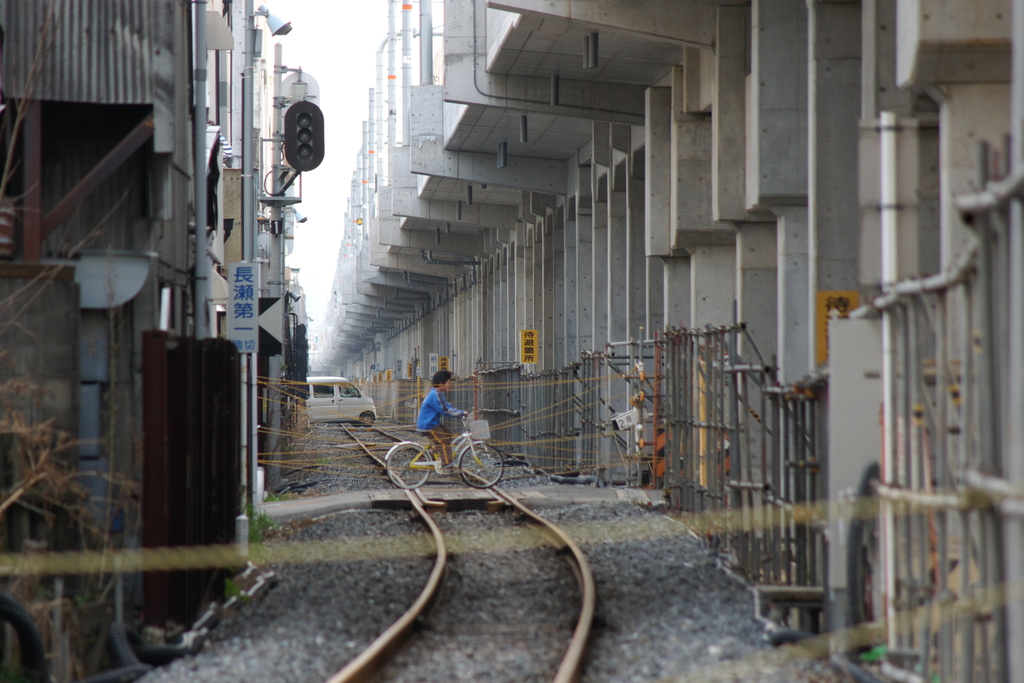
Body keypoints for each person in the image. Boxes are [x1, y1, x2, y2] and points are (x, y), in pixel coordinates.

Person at [416, 370, 467, 469]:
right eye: (448, 382)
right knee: (444, 442)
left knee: (448, 435)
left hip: (432, 423)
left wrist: (459, 412)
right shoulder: (434, 396)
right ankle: (447, 465)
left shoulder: (438, 393)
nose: (450, 385)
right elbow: (444, 410)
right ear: (441, 383)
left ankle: (432, 453)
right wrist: (461, 413)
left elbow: (447, 406)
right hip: (428, 425)